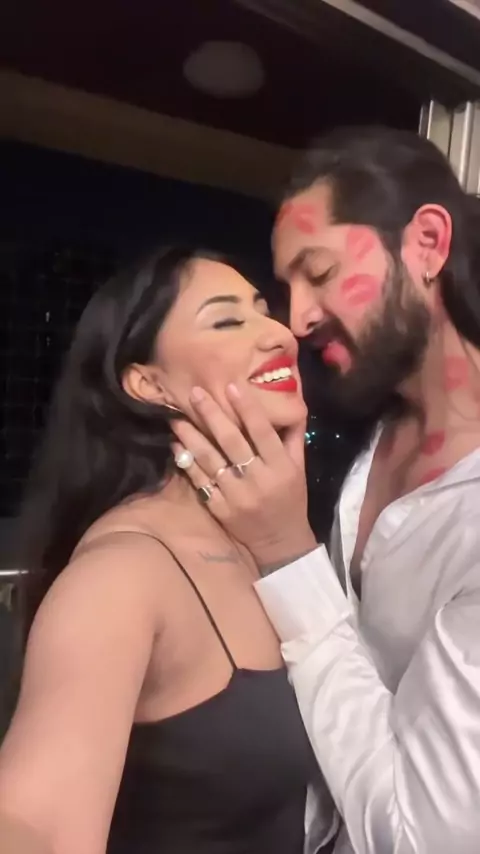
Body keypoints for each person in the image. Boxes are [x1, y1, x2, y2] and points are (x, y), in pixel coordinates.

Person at [170, 127, 480, 854]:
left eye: (320, 272)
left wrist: (287, 553)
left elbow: (422, 838)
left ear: (428, 244)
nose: (296, 317)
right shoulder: (363, 435)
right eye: (287, 288)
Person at [0, 247, 336, 854]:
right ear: (148, 383)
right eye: (227, 320)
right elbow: (36, 826)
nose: (279, 334)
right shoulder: (123, 576)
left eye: (264, 312)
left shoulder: (267, 538)